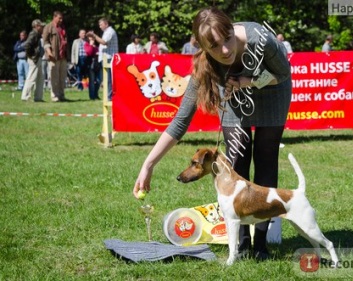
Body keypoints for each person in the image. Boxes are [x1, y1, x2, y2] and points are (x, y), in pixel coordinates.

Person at [132, 7, 291, 261]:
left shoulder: (261, 38)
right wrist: (148, 164)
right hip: (234, 99)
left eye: (227, 39)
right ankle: (239, 243)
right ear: (203, 47)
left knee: (266, 160)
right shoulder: (205, 65)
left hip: (273, 90)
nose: (225, 50)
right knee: (236, 161)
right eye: (214, 46)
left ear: (232, 30)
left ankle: (260, 245)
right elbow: (181, 120)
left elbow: (282, 73)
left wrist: (247, 81)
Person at [87, 18, 118, 101]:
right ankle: (108, 96)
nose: (100, 27)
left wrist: (94, 36)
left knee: (108, 79)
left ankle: (109, 97)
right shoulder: (106, 32)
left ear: (106, 24)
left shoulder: (110, 31)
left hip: (109, 58)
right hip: (106, 58)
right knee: (106, 79)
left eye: (101, 24)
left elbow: (104, 42)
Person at [43, 11, 68, 102]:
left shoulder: (63, 27)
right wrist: (49, 52)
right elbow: (45, 41)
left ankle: (61, 95)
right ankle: (54, 95)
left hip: (63, 56)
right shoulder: (48, 27)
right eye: (59, 18)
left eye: (62, 18)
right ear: (54, 17)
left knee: (62, 77)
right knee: (54, 77)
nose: (61, 20)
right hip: (54, 56)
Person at [21, 19, 45, 102]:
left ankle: (38, 97)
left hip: (38, 58)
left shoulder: (37, 34)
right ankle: (25, 96)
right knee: (31, 78)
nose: (42, 27)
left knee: (40, 78)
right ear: (37, 26)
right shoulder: (33, 33)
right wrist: (31, 55)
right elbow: (27, 45)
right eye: (41, 26)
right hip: (34, 58)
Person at [84, 32, 101, 100]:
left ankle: (96, 94)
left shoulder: (96, 45)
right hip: (91, 64)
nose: (92, 38)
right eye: (90, 37)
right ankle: (92, 96)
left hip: (97, 64)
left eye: (93, 37)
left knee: (98, 80)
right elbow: (89, 52)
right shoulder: (87, 44)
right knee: (92, 81)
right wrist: (91, 45)